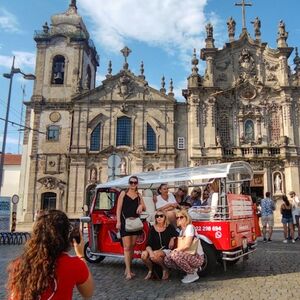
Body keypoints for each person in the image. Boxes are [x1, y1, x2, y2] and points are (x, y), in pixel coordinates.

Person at [6, 210, 94, 300]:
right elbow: (88, 293)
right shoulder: (74, 265)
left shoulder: (20, 264)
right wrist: (81, 256)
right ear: (66, 236)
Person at [116, 176, 146, 280]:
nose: (133, 184)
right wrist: (118, 222)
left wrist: (141, 206)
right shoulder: (123, 193)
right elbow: (118, 209)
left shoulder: (138, 195)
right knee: (127, 247)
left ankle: (128, 267)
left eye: (135, 182)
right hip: (125, 222)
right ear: (129, 183)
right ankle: (128, 271)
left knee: (132, 246)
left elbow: (144, 207)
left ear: (137, 183)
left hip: (135, 223)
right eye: (131, 182)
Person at [164, 209, 204, 284]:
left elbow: (187, 245)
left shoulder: (189, 227)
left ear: (187, 218)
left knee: (174, 255)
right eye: (177, 217)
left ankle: (192, 274)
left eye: (181, 217)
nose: (179, 219)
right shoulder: (182, 231)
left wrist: (175, 250)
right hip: (188, 255)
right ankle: (189, 270)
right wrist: (172, 239)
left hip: (196, 256)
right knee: (167, 259)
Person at [141, 210, 178, 280]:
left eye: (161, 216)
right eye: (157, 216)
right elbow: (148, 244)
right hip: (154, 249)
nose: (159, 218)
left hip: (165, 250)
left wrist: (172, 238)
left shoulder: (169, 227)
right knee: (144, 255)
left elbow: (177, 234)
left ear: (165, 217)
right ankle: (150, 270)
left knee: (155, 255)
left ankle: (165, 269)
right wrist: (150, 252)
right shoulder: (152, 228)